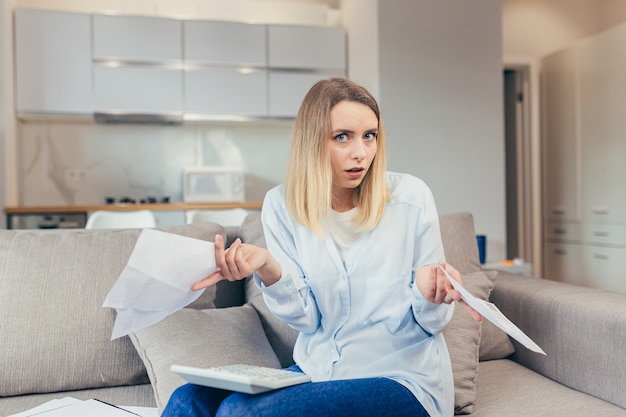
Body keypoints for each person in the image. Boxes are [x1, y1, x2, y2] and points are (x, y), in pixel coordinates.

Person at [162, 78, 481, 417]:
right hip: (319, 373)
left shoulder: (411, 198)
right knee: (188, 398)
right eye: (342, 137)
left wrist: (429, 292)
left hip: (401, 380)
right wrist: (269, 268)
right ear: (312, 141)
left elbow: (431, 322)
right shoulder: (282, 205)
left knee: (242, 412)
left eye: (369, 136)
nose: (360, 152)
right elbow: (308, 320)